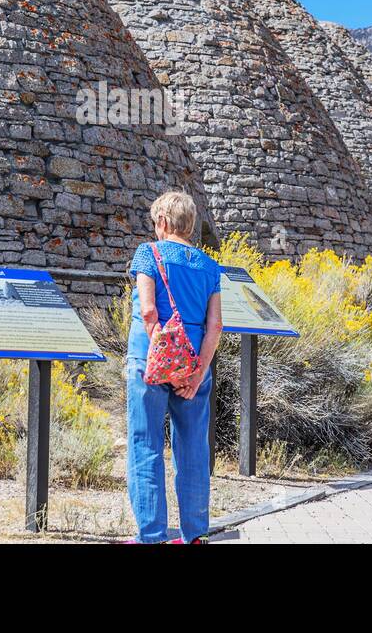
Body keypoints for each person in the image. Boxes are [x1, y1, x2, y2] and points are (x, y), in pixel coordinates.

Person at [124, 190, 223, 543]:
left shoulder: (148, 254)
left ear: (163, 222)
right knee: (194, 447)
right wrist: (193, 372)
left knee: (145, 444)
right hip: (195, 368)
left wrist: (164, 353)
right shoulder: (210, 267)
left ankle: (152, 535)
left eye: (155, 222)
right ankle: (195, 535)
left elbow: (149, 310)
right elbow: (215, 327)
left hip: (149, 362)